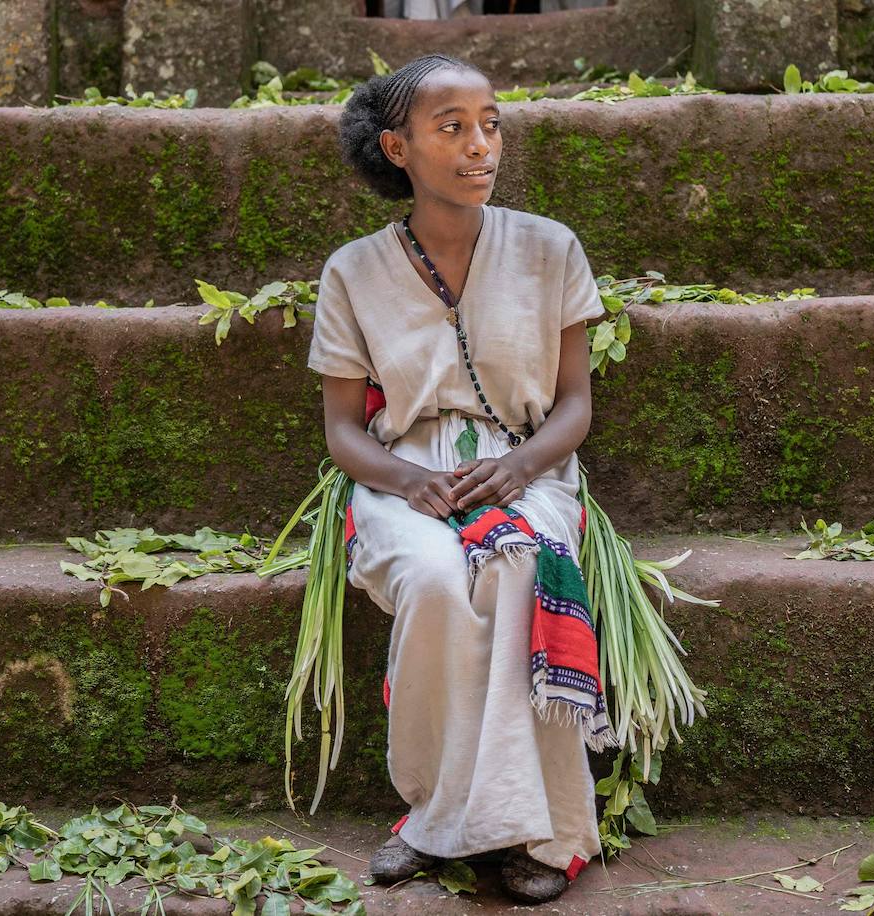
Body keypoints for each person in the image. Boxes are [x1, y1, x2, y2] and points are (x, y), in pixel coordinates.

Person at [306, 52, 609, 905]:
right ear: (397, 148)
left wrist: (518, 468)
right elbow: (341, 430)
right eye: (452, 128)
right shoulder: (352, 272)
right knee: (437, 579)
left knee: (516, 564)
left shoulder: (552, 249)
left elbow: (575, 404)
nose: (480, 145)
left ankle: (538, 832)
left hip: (527, 465)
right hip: (404, 473)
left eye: (491, 124)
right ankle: (435, 816)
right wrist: (405, 482)